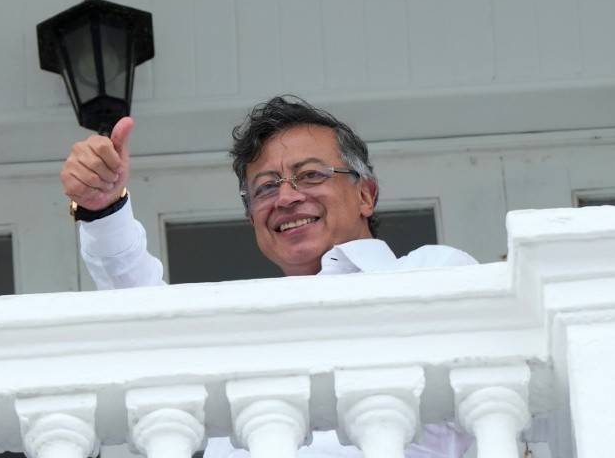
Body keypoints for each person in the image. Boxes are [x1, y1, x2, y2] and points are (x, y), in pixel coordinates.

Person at [61, 95, 477, 458]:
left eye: (311, 174)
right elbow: (146, 322)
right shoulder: (239, 326)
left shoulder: (433, 273)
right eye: (265, 187)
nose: (287, 197)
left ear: (366, 194)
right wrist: (104, 210)